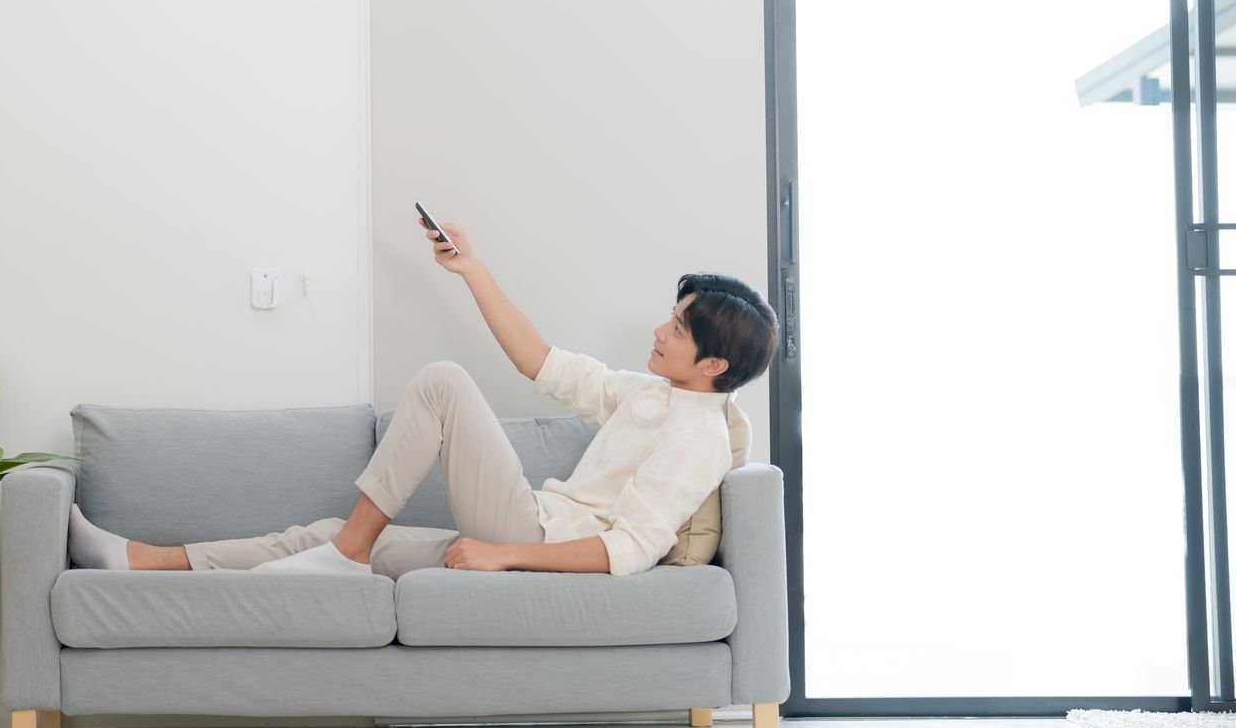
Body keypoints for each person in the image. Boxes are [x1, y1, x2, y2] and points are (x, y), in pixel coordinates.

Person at [67, 212, 779, 579]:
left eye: (678, 327)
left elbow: (633, 548)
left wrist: (505, 557)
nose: (659, 328)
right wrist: (472, 269)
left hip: (536, 541)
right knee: (321, 538)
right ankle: (137, 561)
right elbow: (543, 361)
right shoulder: (651, 393)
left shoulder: (700, 436)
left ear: (714, 362)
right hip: (531, 521)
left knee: (441, 382)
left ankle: (349, 548)